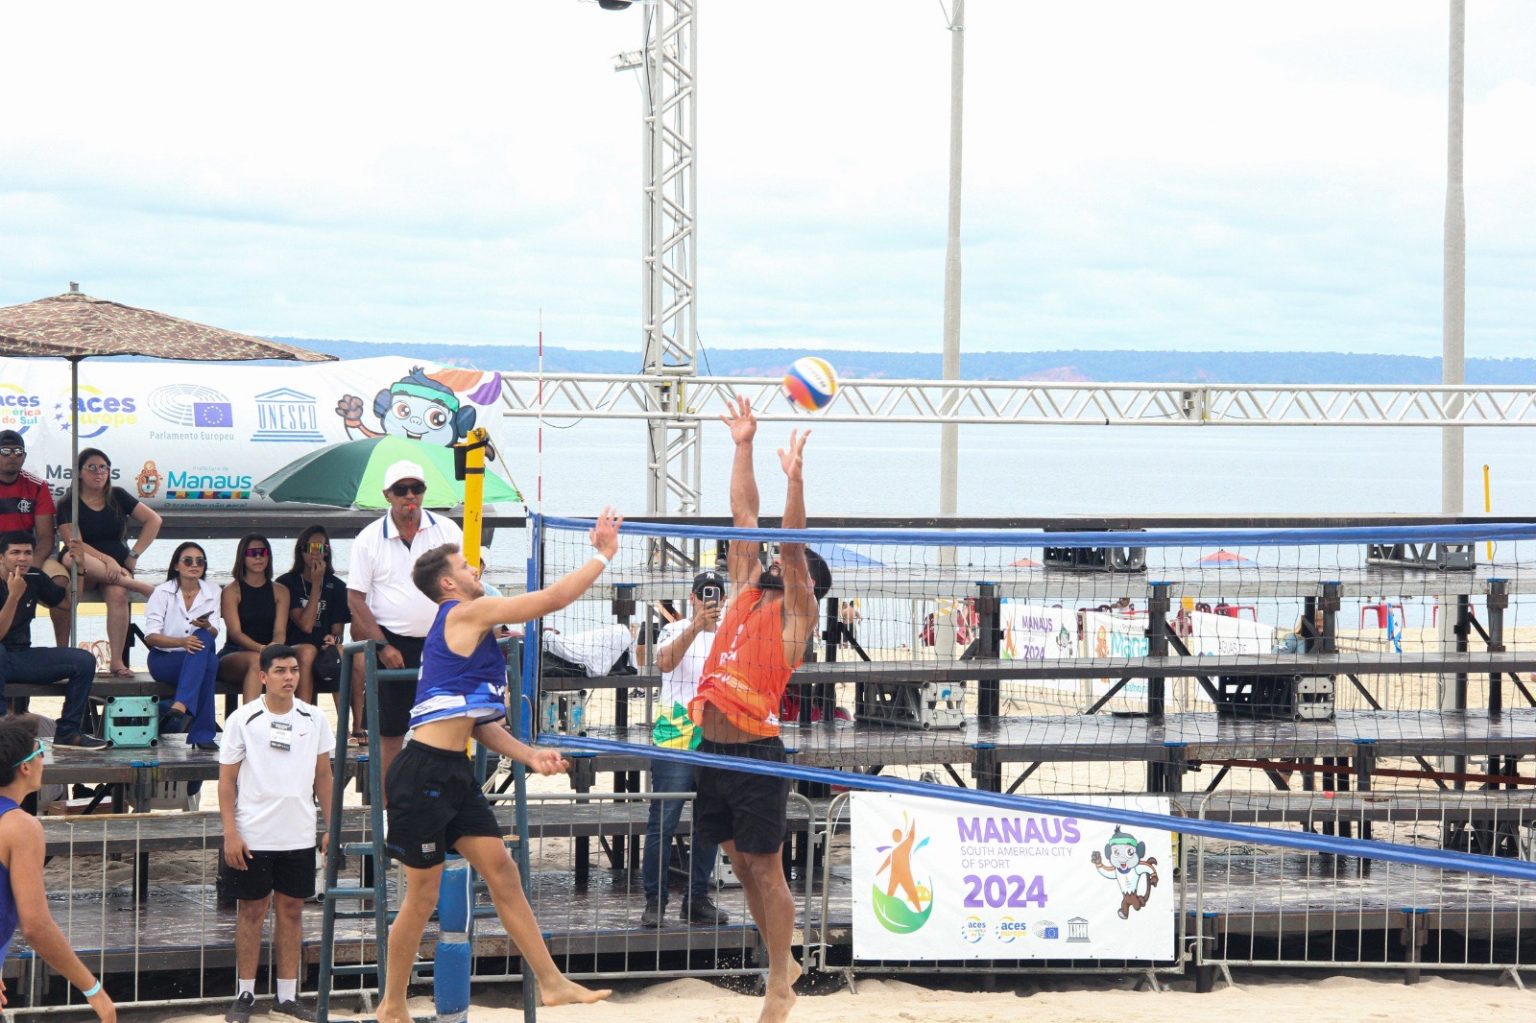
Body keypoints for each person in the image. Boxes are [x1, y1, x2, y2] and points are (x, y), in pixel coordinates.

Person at [376, 513, 624, 1023]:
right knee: (421, 897)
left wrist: (528, 754)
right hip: (421, 771)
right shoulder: (466, 612)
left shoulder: (467, 628)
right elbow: (552, 601)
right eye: (465, 565)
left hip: (450, 771)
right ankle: (392, 1005)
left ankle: (552, 982)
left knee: (504, 874)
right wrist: (602, 554)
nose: (475, 569)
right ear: (448, 582)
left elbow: (473, 722)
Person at [687, 395, 825, 1023]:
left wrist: (795, 482)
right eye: (768, 559)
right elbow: (745, 511)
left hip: (756, 753)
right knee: (740, 861)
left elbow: (792, 545)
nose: (769, 559)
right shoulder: (746, 589)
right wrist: (743, 445)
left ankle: (780, 981)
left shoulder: (797, 612)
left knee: (766, 869)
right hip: (713, 748)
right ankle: (781, 960)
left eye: (781, 563)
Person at [218, 645, 333, 1023]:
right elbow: (227, 780)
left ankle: (286, 994)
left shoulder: (314, 718)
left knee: (293, 911)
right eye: (281, 670)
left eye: (294, 670)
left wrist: (330, 826)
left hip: (298, 832)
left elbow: (324, 776)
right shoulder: (243, 719)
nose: (289, 677)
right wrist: (230, 832)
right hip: (254, 832)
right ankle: (245, 993)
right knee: (251, 911)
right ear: (263, 676)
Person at [346, 461, 462, 785]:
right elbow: (355, 599)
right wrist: (382, 646)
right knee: (390, 733)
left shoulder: (448, 530)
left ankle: (438, 805)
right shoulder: (368, 539)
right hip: (393, 642)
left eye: (416, 488)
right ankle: (388, 811)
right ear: (387, 495)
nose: (409, 496)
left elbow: (466, 583)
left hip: (441, 639)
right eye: (401, 490)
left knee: (442, 727)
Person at [0, 715, 117, 1021]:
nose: (44, 760)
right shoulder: (20, 827)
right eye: (41, 751)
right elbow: (36, 927)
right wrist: (94, 991)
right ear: (25, 766)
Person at [639, 569, 729, 928]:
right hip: (675, 737)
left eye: (716, 595)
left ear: (723, 601)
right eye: (704, 594)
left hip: (714, 737)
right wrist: (695, 626)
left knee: (708, 822)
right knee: (663, 822)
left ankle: (696, 899)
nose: (710, 600)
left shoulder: (729, 637)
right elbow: (664, 662)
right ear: (692, 598)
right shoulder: (675, 629)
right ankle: (654, 902)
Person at [57, 447, 162, 677]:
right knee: (73, 555)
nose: (98, 472)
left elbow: (154, 520)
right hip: (84, 562)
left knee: (118, 594)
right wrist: (108, 561)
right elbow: (75, 542)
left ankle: (116, 661)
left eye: (103, 467)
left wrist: (133, 555)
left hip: (117, 571)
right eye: (91, 467)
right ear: (79, 473)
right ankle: (138, 587)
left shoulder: (118, 496)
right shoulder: (68, 503)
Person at [0, 533, 107, 748]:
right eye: (15, 553)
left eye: (28, 553)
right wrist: (13, 596)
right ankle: (2, 728)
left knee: (84, 660)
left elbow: (68, 604)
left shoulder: (35, 577)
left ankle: (68, 732)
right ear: (1, 557)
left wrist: (80, 569)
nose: (22, 558)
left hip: (21, 657)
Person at [143, 542, 223, 749]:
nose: (194, 565)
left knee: (205, 640)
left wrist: (207, 626)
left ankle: (182, 704)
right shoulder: (162, 592)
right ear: (177, 565)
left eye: (200, 561)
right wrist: (182, 642)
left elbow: (215, 631)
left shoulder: (213, 591)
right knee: (209, 661)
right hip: (165, 659)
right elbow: (151, 637)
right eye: (188, 560)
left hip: (199, 655)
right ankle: (202, 733)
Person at [0, 430, 71, 647]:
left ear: (24, 456)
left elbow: (46, 537)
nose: (13, 456)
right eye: (6, 451)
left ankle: (62, 649)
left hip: (27, 556)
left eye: (18, 451)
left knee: (59, 580)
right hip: (3, 558)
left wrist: (31, 568)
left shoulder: (37, 486)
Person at [275, 527, 350, 712]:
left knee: (347, 654)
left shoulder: (338, 586)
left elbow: (338, 630)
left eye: (321, 547)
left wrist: (334, 640)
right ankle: (304, 718)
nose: (316, 553)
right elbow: (306, 625)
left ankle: (351, 728)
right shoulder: (287, 583)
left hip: (323, 648)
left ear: (327, 551)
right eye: (311, 547)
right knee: (307, 651)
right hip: (293, 646)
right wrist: (317, 584)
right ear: (301, 550)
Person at [218, 534, 290, 703]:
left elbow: (280, 630)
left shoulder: (280, 591)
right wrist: (262, 649)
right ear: (242, 557)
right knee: (258, 661)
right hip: (235, 654)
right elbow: (235, 633)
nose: (258, 557)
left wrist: (274, 648)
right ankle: (249, 725)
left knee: (289, 665)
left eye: (262, 552)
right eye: (252, 553)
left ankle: (291, 723)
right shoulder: (231, 591)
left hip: (269, 653)